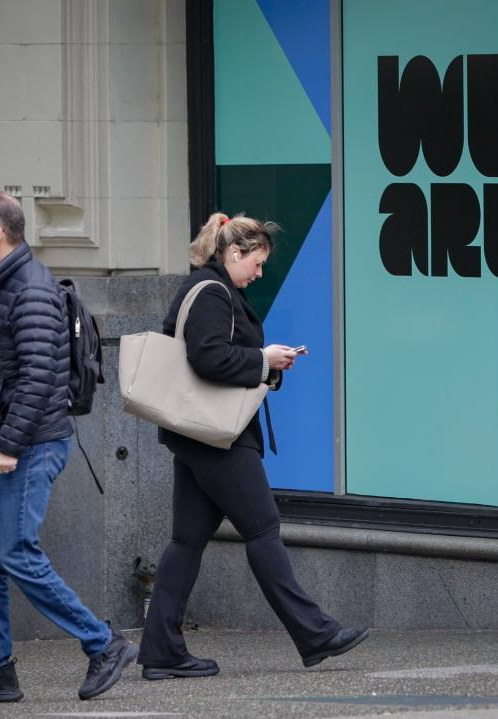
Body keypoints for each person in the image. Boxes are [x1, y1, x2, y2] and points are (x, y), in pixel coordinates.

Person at [136, 212, 369, 680]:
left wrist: (268, 366)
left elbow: (216, 357)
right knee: (263, 530)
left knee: (186, 541)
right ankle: (315, 634)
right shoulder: (213, 292)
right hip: (218, 436)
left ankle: (161, 651)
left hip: (197, 434)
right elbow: (208, 357)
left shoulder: (208, 287)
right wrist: (263, 359)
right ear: (233, 253)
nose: (259, 273)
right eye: (256, 262)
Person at [0, 191, 137, 703]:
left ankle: (104, 643)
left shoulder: (30, 290)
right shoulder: (1, 284)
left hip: (27, 445)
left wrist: (8, 445)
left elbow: (38, 377)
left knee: (15, 553)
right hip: (4, 445)